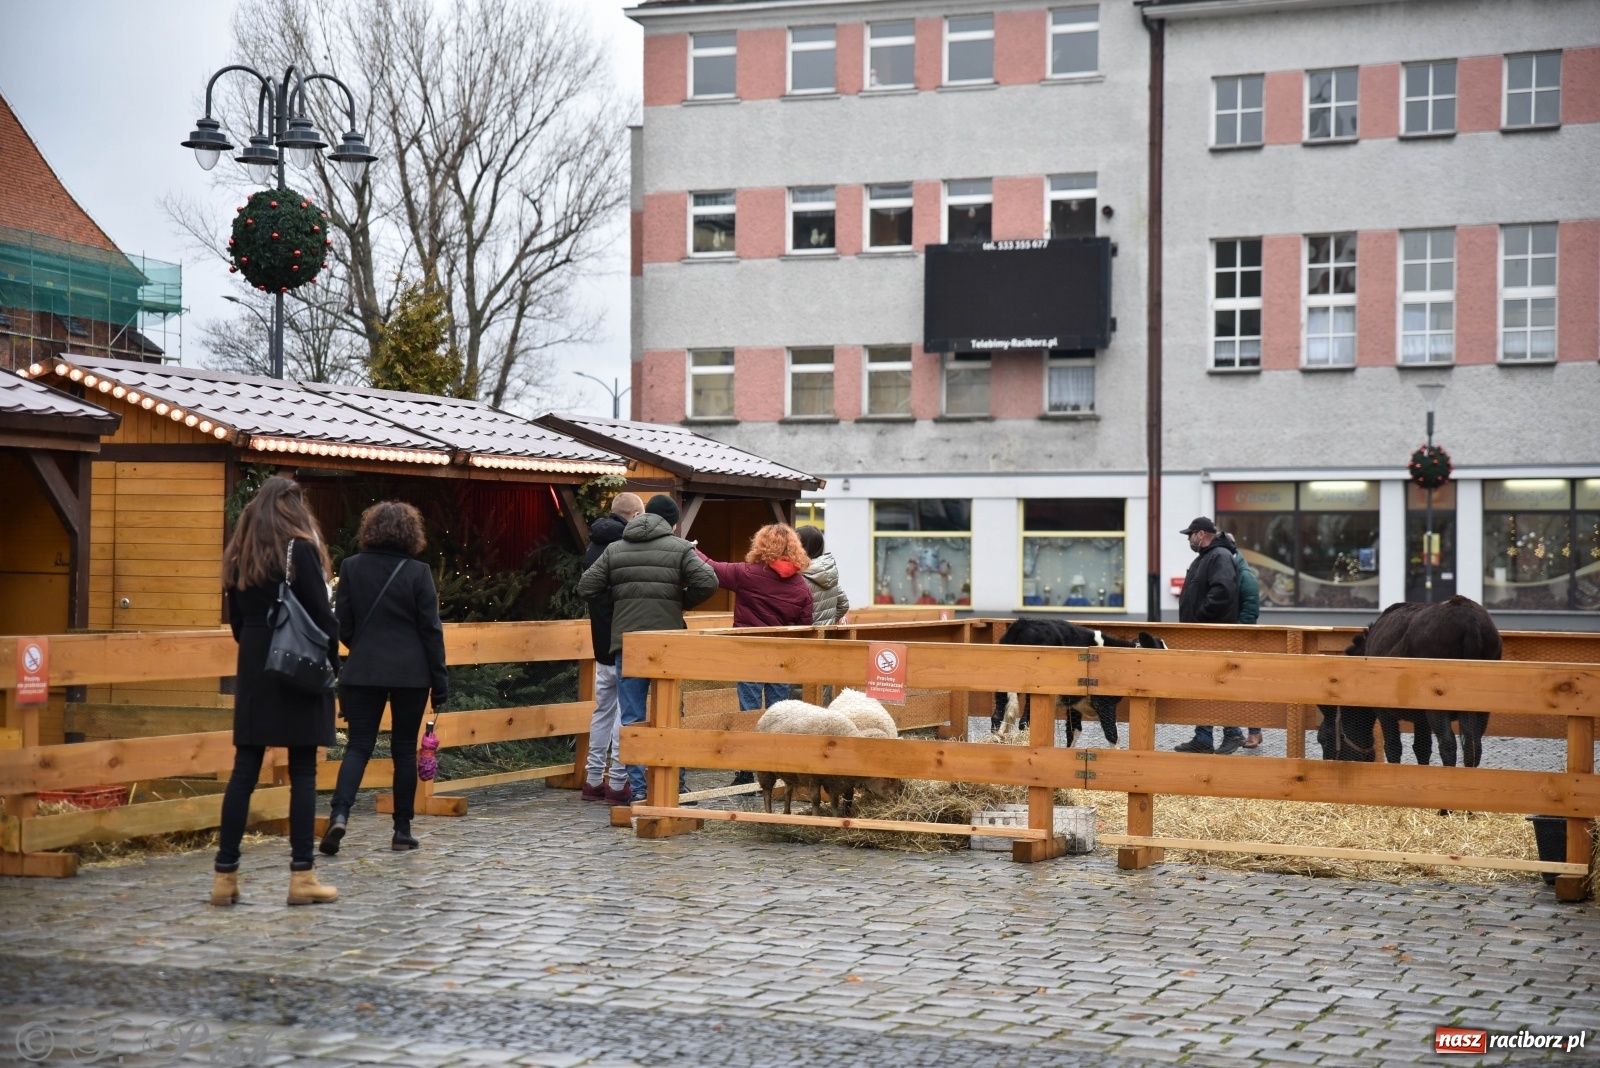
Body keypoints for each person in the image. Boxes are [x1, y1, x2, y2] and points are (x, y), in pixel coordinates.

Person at [214, 476, 340, 907]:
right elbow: (323, 618)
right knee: (303, 772)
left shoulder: (239, 555)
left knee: (243, 772)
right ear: (295, 509)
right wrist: (331, 666)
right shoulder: (299, 550)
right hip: (298, 666)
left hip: (255, 668)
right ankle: (302, 877)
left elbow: (236, 624)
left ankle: (225, 877)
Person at [320, 501, 449, 856]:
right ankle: (401, 831)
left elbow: (343, 624)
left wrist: (364, 648)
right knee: (404, 751)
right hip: (411, 673)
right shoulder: (419, 572)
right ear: (411, 533)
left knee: (358, 746)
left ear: (370, 530)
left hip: (363, 670)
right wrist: (440, 681)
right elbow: (431, 630)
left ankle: (339, 815)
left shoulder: (351, 567)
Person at [578, 493, 718, 801]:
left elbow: (587, 586)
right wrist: (679, 602)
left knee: (631, 717)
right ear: (672, 523)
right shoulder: (680, 548)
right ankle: (676, 787)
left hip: (628, 644)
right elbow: (708, 582)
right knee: (672, 714)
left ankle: (639, 790)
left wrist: (618, 603)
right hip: (668, 643)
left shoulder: (615, 549)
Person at [696, 524, 815, 786]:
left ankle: (747, 773)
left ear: (761, 545)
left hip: (748, 655)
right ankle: (775, 769)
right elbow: (805, 628)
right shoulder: (801, 587)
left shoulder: (746, 574)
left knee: (748, 712)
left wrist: (688, 547)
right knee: (778, 713)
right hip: (781, 660)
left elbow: (710, 567)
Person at [579, 492, 643, 805]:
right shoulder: (624, 548)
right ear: (635, 516)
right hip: (623, 641)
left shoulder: (593, 547)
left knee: (602, 710)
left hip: (600, 641)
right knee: (624, 712)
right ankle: (618, 782)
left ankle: (593, 779)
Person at [1172, 516, 1244, 755]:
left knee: (1215, 685)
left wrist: (1200, 617)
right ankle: (1203, 738)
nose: (1189, 540)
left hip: (1211, 634)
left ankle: (1233, 732)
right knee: (1204, 686)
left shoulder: (1218, 556)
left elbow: (1222, 592)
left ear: (1201, 534)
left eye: (1190, 535)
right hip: (1203, 634)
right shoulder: (1209, 556)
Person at [1219, 529, 1264, 748]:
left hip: (1241, 640)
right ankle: (1234, 730)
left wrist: (1236, 634)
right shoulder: (1229, 572)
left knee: (1246, 687)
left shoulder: (1245, 576)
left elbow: (1250, 612)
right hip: (1228, 638)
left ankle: (1254, 732)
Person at [796, 525, 850, 627]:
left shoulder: (801, 575)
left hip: (806, 635)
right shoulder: (829, 574)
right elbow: (844, 604)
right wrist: (828, 623)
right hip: (826, 634)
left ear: (803, 546)